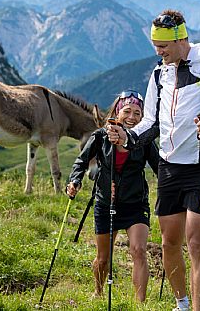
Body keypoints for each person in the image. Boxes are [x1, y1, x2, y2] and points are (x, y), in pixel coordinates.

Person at [107, 10, 200, 311]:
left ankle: (197, 309)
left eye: (163, 46)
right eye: (155, 45)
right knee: (169, 243)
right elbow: (150, 122)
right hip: (170, 168)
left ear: (181, 38)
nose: (158, 51)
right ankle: (181, 303)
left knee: (196, 241)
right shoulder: (160, 73)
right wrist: (126, 137)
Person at [66, 90, 160, 302]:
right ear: (117, 112)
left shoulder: (144, 140)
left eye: (137, 113)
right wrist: (75, 180)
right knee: (102, 259)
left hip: (135, 204)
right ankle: (98, 292)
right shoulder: (100, 136)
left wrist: (174, 188)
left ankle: (140, 303)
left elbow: (160, 168)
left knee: (138, 250)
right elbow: (81, 161)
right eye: (127, 111)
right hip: (105, 203)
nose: (132, 117)